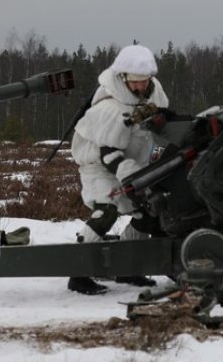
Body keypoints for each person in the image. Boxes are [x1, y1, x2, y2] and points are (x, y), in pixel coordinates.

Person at [67, 44, 168, 295]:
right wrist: (129, 175)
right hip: (99, 166)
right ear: (123, 78)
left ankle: (127, 267)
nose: (140, 87)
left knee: (146, 213)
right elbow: (107, 153)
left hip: (133, 164)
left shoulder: (156, 96)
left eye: (144, 81)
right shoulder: (110, 108)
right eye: (135, 82)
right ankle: (78, 273)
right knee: (106, 212)